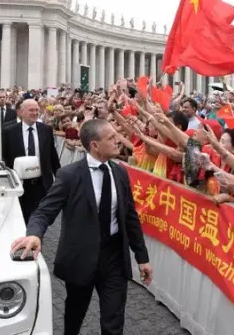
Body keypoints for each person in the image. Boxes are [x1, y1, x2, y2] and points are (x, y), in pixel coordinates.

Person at [11, 119, 153, 335]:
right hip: (81, 258)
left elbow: (130, 217)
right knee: (75, 315)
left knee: (113, 322)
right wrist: (34, 234)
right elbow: (44, 211)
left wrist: (142, 257)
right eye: (111, 138)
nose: (118, 141)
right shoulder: (70, 175)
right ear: (94, 145)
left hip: (114, 257)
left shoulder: (120, 172)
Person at [2, 99, 60, 222]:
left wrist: (59, 178)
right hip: (19, 182)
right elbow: (5, 157)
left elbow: (52, 156)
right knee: (21, 217)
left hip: (41, 183)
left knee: (39, 217)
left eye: (36, 110)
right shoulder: (9, 131)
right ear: (21, 112)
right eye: (31, 110)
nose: (35, 113)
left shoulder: (46, 130)